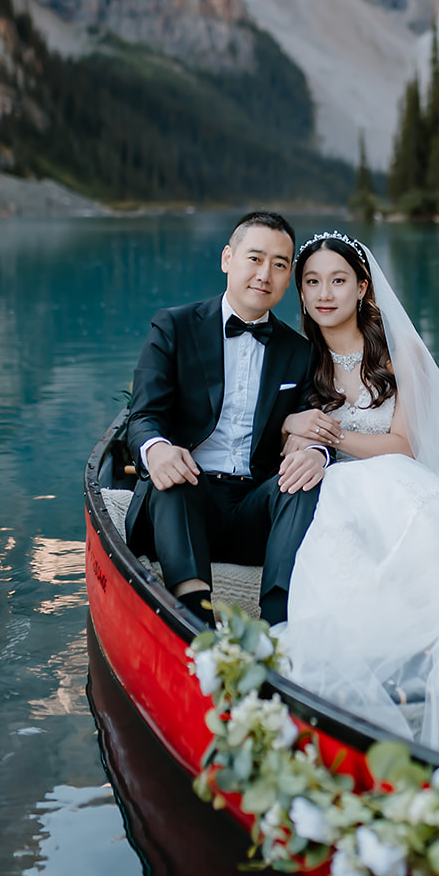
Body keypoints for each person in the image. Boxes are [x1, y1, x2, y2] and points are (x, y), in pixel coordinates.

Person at [277, 230, 439, 753]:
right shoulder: (304, 360)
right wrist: (296, 429)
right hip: (337, 483)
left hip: (396, 474)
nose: (325, 293)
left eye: (339, 280)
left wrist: (332, 434)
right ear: (300, 293)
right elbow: (284, 429)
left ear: (363, 287)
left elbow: (407, 445)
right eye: (312, 282)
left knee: (371, 490)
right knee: (335, 513)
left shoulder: (398, 353)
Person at [125, 211, 329, 626]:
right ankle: (196, 615)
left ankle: (279, 623)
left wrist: (317, 453)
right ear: (227, 259)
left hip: (254, 505)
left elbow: (314, 418)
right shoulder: (174, 327)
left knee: (304, 482)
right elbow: (143, 415)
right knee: (173, 471)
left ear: (289, 277)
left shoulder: (300, 351)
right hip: (185, 501)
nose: (264, 274)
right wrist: (157, 448)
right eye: (254, 258)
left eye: (279, 264)